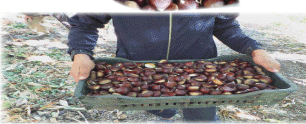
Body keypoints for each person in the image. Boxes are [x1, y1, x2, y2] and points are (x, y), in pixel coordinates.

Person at [67, 13, 281, 122]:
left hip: (200, 72)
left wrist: (253, 49)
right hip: (140, 73)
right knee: (158, 105)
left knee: (202, 116)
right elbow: (85, 23)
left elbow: (225, 25)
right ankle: (164, 109)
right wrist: (81, 54)